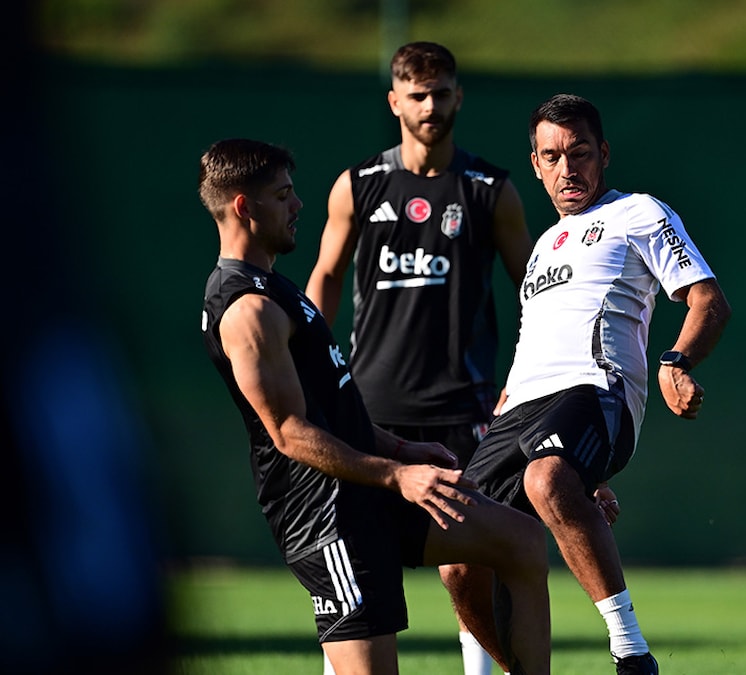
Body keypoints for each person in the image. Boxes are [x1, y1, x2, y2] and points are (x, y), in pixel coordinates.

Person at [198, 138, 550, 675]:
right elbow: (289, 432)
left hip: (367, 488)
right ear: (245, 206)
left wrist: (403, 449)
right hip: (326, 517)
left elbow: (332, 410)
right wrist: (397, 475)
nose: (298, 205)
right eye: (284, 195)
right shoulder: (247, 309)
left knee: (520, 541)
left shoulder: (275, 288)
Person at [445, 93, 732, 675]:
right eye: (552, 156)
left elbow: (709, 300)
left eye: (579, 153)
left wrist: (676, 361)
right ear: (535, 165)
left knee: (546, 478)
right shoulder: (542, 248)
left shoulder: (637, 213)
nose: (567, 168)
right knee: (457, 555)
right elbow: (533, 345)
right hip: (520, 410)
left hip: (596, 390)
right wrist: (584, 476)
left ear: (603, 153)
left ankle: (630, 652)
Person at [305, 41, 532, 675]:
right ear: (394, 102)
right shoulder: (358, 185)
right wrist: (313, 368)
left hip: (465, 408)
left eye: (441, 94)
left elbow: (536, 292)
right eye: (417, 95)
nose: (430, 106)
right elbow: (325, 275)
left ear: (459, 97)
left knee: (468, 563)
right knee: (351, 559)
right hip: (370, 409)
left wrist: (524, 379)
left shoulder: (491, 190)